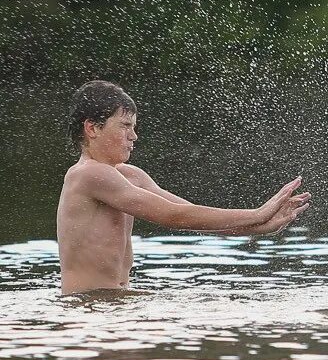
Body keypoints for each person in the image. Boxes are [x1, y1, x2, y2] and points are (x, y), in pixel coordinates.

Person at [57, 80, 311, 294]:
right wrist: (257, 213)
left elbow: (189, 214)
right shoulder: (88, 174)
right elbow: (173, 216)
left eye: (133, 127)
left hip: (115, 302)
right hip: (87, 306)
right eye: (124, 126)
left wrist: (257, 228)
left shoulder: (130, 175)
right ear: (92, 128)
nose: (133, 136)